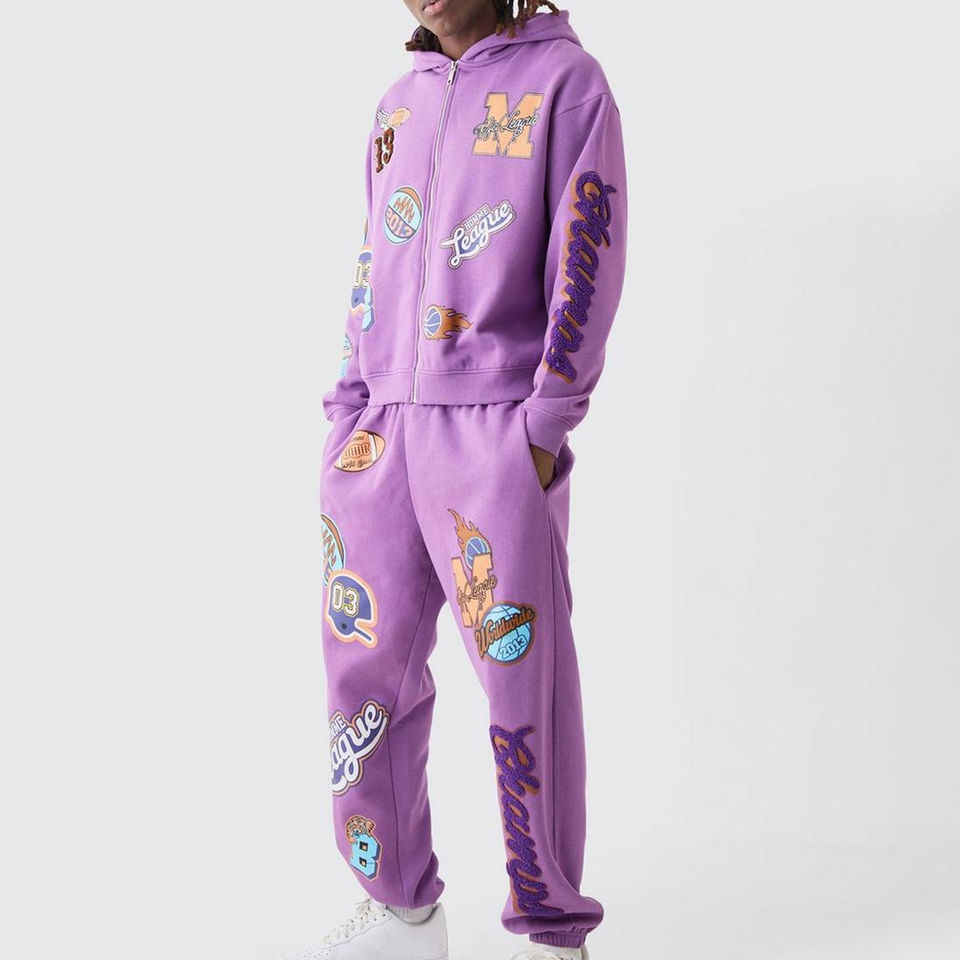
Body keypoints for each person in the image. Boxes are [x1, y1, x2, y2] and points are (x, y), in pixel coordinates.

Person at [292, 2, 626, 958]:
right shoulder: (397, 102)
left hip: (493, 431)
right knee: (364, 682)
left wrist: (543, 427)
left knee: (524, 690)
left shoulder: (567, 84)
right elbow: (373, 259)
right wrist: (348, 407)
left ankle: (552, 929)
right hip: (379, 433)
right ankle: (401, 909)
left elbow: (587, 257)